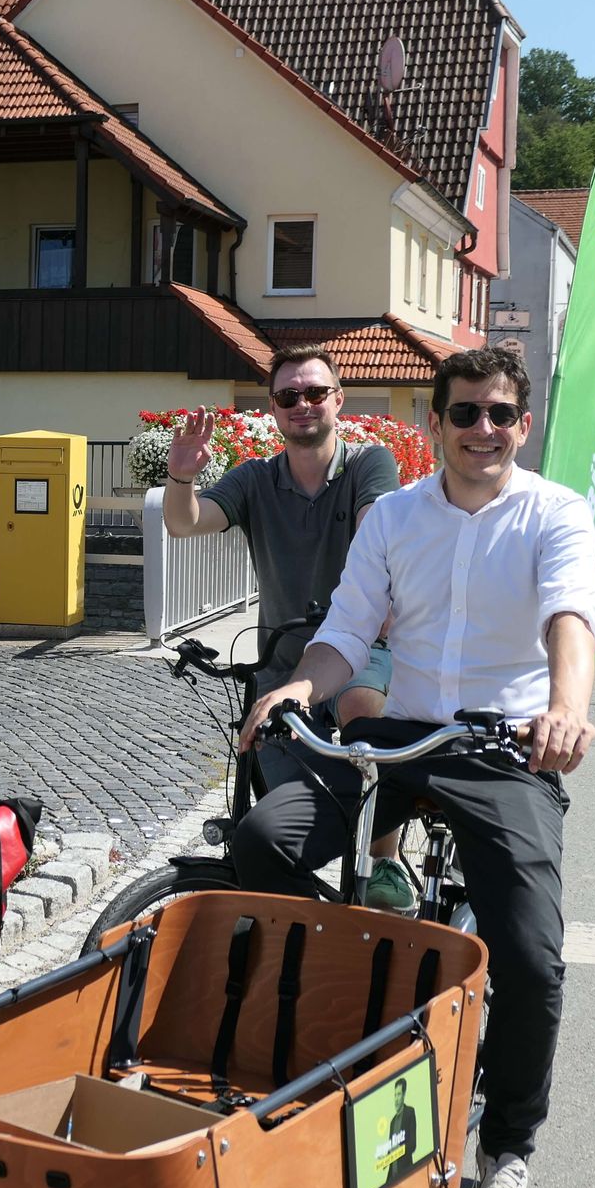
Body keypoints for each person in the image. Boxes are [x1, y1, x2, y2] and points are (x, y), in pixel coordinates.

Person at [235, 345, 595, 1188]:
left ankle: (509, 1146)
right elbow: (349, 627)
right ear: (434, 424)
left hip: (503, 747)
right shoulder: (394, 516)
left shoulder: (555, 513)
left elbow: (570, 618)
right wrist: (299, 690)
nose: (485, 430)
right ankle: (338, 1003)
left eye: (501, 414)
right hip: (397, 738)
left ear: (524, 423)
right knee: (261, 839)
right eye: (465, 413)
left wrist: (566, 711)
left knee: (529, 954)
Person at [162, 343, 412, 908]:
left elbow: (379, 530)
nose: (303, 404)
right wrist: (181, 479)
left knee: (361, 711)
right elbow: (186, 523)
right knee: (284, 826)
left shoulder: (368, 464)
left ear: (338, 401)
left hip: (361, 644)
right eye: (288, 395)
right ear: (274, 409)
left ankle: (386, 859)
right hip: (283, 664)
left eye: (316, 393)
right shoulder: (255, 480)